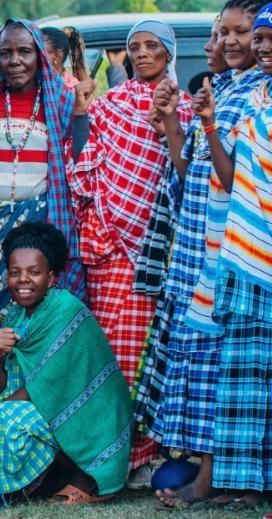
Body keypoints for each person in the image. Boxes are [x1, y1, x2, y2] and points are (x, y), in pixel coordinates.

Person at [136, 6, 263, 507]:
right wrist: (174, 120)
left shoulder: (259, 93)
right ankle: (213, 474)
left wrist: (206, 126)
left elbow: (238, 181)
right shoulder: (226, 87)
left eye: (240, 32)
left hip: (234, 245)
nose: (228, 41)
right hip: (199, 243)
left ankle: (213, 479)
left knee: (223, 362)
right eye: (221, 32)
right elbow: (190, 173)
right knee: (205, 358)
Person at [70, 20, 191, 473]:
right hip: (108, 246)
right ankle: (103, 454)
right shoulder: (110, 104)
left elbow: (188, 174)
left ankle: (139, 456)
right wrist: (82, 113)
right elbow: (85, 163)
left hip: (156, 248)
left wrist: (167, 125)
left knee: (141, 356)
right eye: (134, 47)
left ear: (169, 53)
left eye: (151, 46)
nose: (141, 53)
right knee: (105, 355)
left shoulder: (183, 107)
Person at [175, 1, 272, 509]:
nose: (249, 44)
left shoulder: (256, 95)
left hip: (256, 247)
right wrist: (204, 124)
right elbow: (220, 174)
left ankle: (237, 483)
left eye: (248, 33)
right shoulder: (251, 93)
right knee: (241, 375)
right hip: (233, 246)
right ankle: (237, 482)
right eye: (260, 38)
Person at [0, 222, 132, 504]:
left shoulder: (66, 310)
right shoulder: (14, 316)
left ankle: (82, 475)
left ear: (51, 277)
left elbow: (44, 385)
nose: (23, 280)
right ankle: (41, 477)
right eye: (15, 273)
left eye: (34, 272)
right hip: (44, 405)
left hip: (89, 417)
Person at [0, 19, 87, 313]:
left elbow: (79, 167)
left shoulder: (62, 103)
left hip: (38, 227)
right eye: (6, 52)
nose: (15, 61)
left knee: (33, 313)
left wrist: (81, 115)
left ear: (39, 55)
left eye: (24, 51)